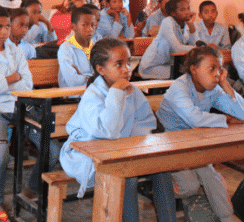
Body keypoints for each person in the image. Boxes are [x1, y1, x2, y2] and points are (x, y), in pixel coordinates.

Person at [59, 38, 176, 221]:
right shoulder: (93, 95)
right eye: (119, 64)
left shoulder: (133, 91)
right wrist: (116, 93)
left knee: (162, 170)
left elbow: (145, 123)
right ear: (101, 69)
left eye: (129, 62)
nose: (127, 69)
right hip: (89, 156)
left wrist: (130, 145)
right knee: (126, 178)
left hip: (122, 151)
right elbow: (108, 131)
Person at [0, 5, 59, 208]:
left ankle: (31, 189)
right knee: (1, 153)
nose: (4, 31)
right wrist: (12, 77)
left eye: (7, 26)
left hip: (20, 106)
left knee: (52, 150)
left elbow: (27, 85)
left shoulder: (17, 52)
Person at [157, 46, 244, 222]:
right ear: (194, 69)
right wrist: (226, 119)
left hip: (193, 143)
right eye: (212, 68)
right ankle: (163, 183)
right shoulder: (180, 87)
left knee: (212, 178)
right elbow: (195, 119)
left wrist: (226, 84)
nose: (217, 74)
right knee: (190, 186)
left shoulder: (213, 89)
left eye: (220, 69)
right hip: (169, 144)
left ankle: (227, 218)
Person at [139, 0, 197, 79]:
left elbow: (193, 44)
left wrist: (191, 25)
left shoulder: (184, 24)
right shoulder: (167, 22)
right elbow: (178, 48)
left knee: (192, 71)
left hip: (168, 65)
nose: (188, 12)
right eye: (183, 10)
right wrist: (198, 48)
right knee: (186, 74)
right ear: (173, 13)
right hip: (151, 67)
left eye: (188, 8)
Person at [58, 7, 95, 88]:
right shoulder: (66, 48)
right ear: (73, 27)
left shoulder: (96, 46)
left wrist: (82, 75)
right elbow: (73, 81)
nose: (90, 29)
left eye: (93, 25)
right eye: (85, 25)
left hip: (93, 92)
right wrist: (93, 76)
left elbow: (105, 75)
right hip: (72, 95)